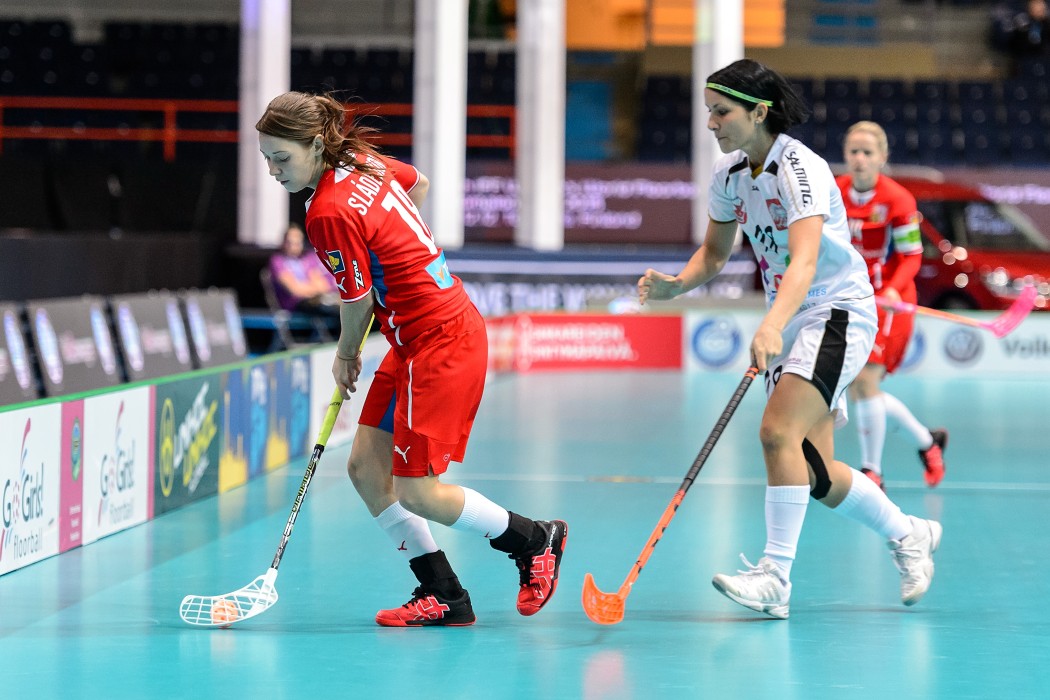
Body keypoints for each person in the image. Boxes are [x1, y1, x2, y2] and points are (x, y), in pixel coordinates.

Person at [637, 59, 941, 620]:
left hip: (836, 309)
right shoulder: (729, 174)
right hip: (795, 315)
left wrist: (772, 323)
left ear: (759, 112)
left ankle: (775, 576)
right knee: (815, 472)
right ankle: (910, 532)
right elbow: (716, 253)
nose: (712, 123)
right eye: (709, 112)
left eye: (721, 112)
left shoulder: (802, 168)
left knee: (776, 432)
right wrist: (676, 285)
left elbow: (803, 261)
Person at [256, 91, 567, 628]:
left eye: (281, 158)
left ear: (315, 145)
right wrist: (396, 250)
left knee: (419, 492)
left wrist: (346, 355)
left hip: (441, 343)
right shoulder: (361, 161)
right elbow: (418, 185)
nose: (273, 171)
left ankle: (534, 538)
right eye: (266, 158)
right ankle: (444, 593)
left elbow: (356, 300)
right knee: (365, 469)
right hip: (412, 339)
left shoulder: (327, 211)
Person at [836, 121, 947, 492]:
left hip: (890, 301)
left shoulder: (898, 200)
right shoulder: (835, 192)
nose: (860, 159)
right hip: (852, 298)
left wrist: (895, 291)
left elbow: (912, 256)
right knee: (862, 390)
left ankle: (872, 473)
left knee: (865, 381)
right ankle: (928, 442)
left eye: (868, 152)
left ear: (882, 157)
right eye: (854, 151)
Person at [268, 221, 341, 323]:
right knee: (335, 310)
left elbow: (323, 286)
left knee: (342, 306)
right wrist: (312, 289)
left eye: (297, 243)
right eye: (290, 242)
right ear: (283, 243)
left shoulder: (309, 259)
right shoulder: (278, 261)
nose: (294, 246)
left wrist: (306, 288)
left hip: (315, 302)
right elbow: (294, 290)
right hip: (294, 306)